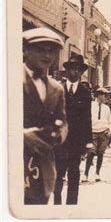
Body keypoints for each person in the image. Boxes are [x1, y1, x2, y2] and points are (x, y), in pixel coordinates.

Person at [23, 28, 68, 204]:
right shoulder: (9, 78)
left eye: (52, 51)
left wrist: (59, 135)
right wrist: (22, 135)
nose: (47, 55)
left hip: (43, 167)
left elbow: (63, 121)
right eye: (41, 49)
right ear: (26, 50)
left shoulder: (56, 89)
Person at [53, 54, 93, 205]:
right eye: (71, 69)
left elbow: (87, 119)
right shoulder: (58, 89)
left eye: (77, 70)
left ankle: (71, 207)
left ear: (81, 73)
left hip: (76, 143)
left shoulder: (85, 93)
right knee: (57, 175)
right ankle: (57, 205)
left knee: (74, 175)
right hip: (59, 141)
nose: (74, 73)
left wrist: (88, 143)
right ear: (66, 71)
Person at [83, 88, 111, 182]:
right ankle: (85, 174)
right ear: (98, 95)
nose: (106, 97)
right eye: (104, 95)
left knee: (100, 153)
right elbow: (86, 119)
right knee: (91, 153)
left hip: (104, 134)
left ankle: (97, 173)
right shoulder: (90, 105)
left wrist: (110, 130)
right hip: (92, 133)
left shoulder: (106, 108)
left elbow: (110, 122)